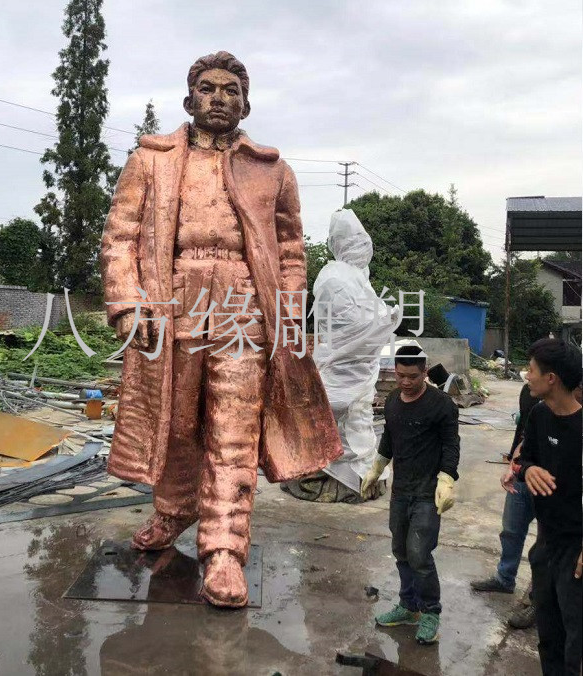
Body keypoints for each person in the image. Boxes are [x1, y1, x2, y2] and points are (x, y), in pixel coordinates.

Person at [100, 51, 341, 608]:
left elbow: (291, 251)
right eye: (208, 88)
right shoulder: (150, 160)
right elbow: (120, 237)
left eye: (231, 90)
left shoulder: (272, 170)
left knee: (234, 431)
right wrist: (129, 304)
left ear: (246, 105)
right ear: (189, 99)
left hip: (243, 308)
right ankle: (174, 511)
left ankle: (225, 549)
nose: (219, 98)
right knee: (175, 423)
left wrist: (288, 315)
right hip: (171, 300)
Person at [361, 345, 460, 645]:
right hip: (401, 490)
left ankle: (430, 612)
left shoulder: (441, 404)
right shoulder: (393, 400)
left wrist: (447, 478)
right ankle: (408, 606)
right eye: (400, 375)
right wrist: (376, 468)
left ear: (424, 372)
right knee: (401, 550)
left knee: (419, 553)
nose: (405, 382)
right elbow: (389, 438)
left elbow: (451, 444)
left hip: (427, 493)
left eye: (412, 377)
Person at [516, 338, 582, 675]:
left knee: (576, 640)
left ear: (551, 378)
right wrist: (529, 470)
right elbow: (525, 458)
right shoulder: (539, 414)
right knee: (548, 634)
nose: (527, 376)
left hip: (576, 550)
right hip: (545, 542)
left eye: (531, 370)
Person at [470, 383, 539, 627]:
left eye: (533, 370)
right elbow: (524, 434)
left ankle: (537, 601)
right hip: (522, 476)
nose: (528, 375)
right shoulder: (530, 392)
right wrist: (513, 464)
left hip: (552, 485)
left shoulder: (569, 406)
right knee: (511, 530)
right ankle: (504, 578)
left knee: (545, 549)